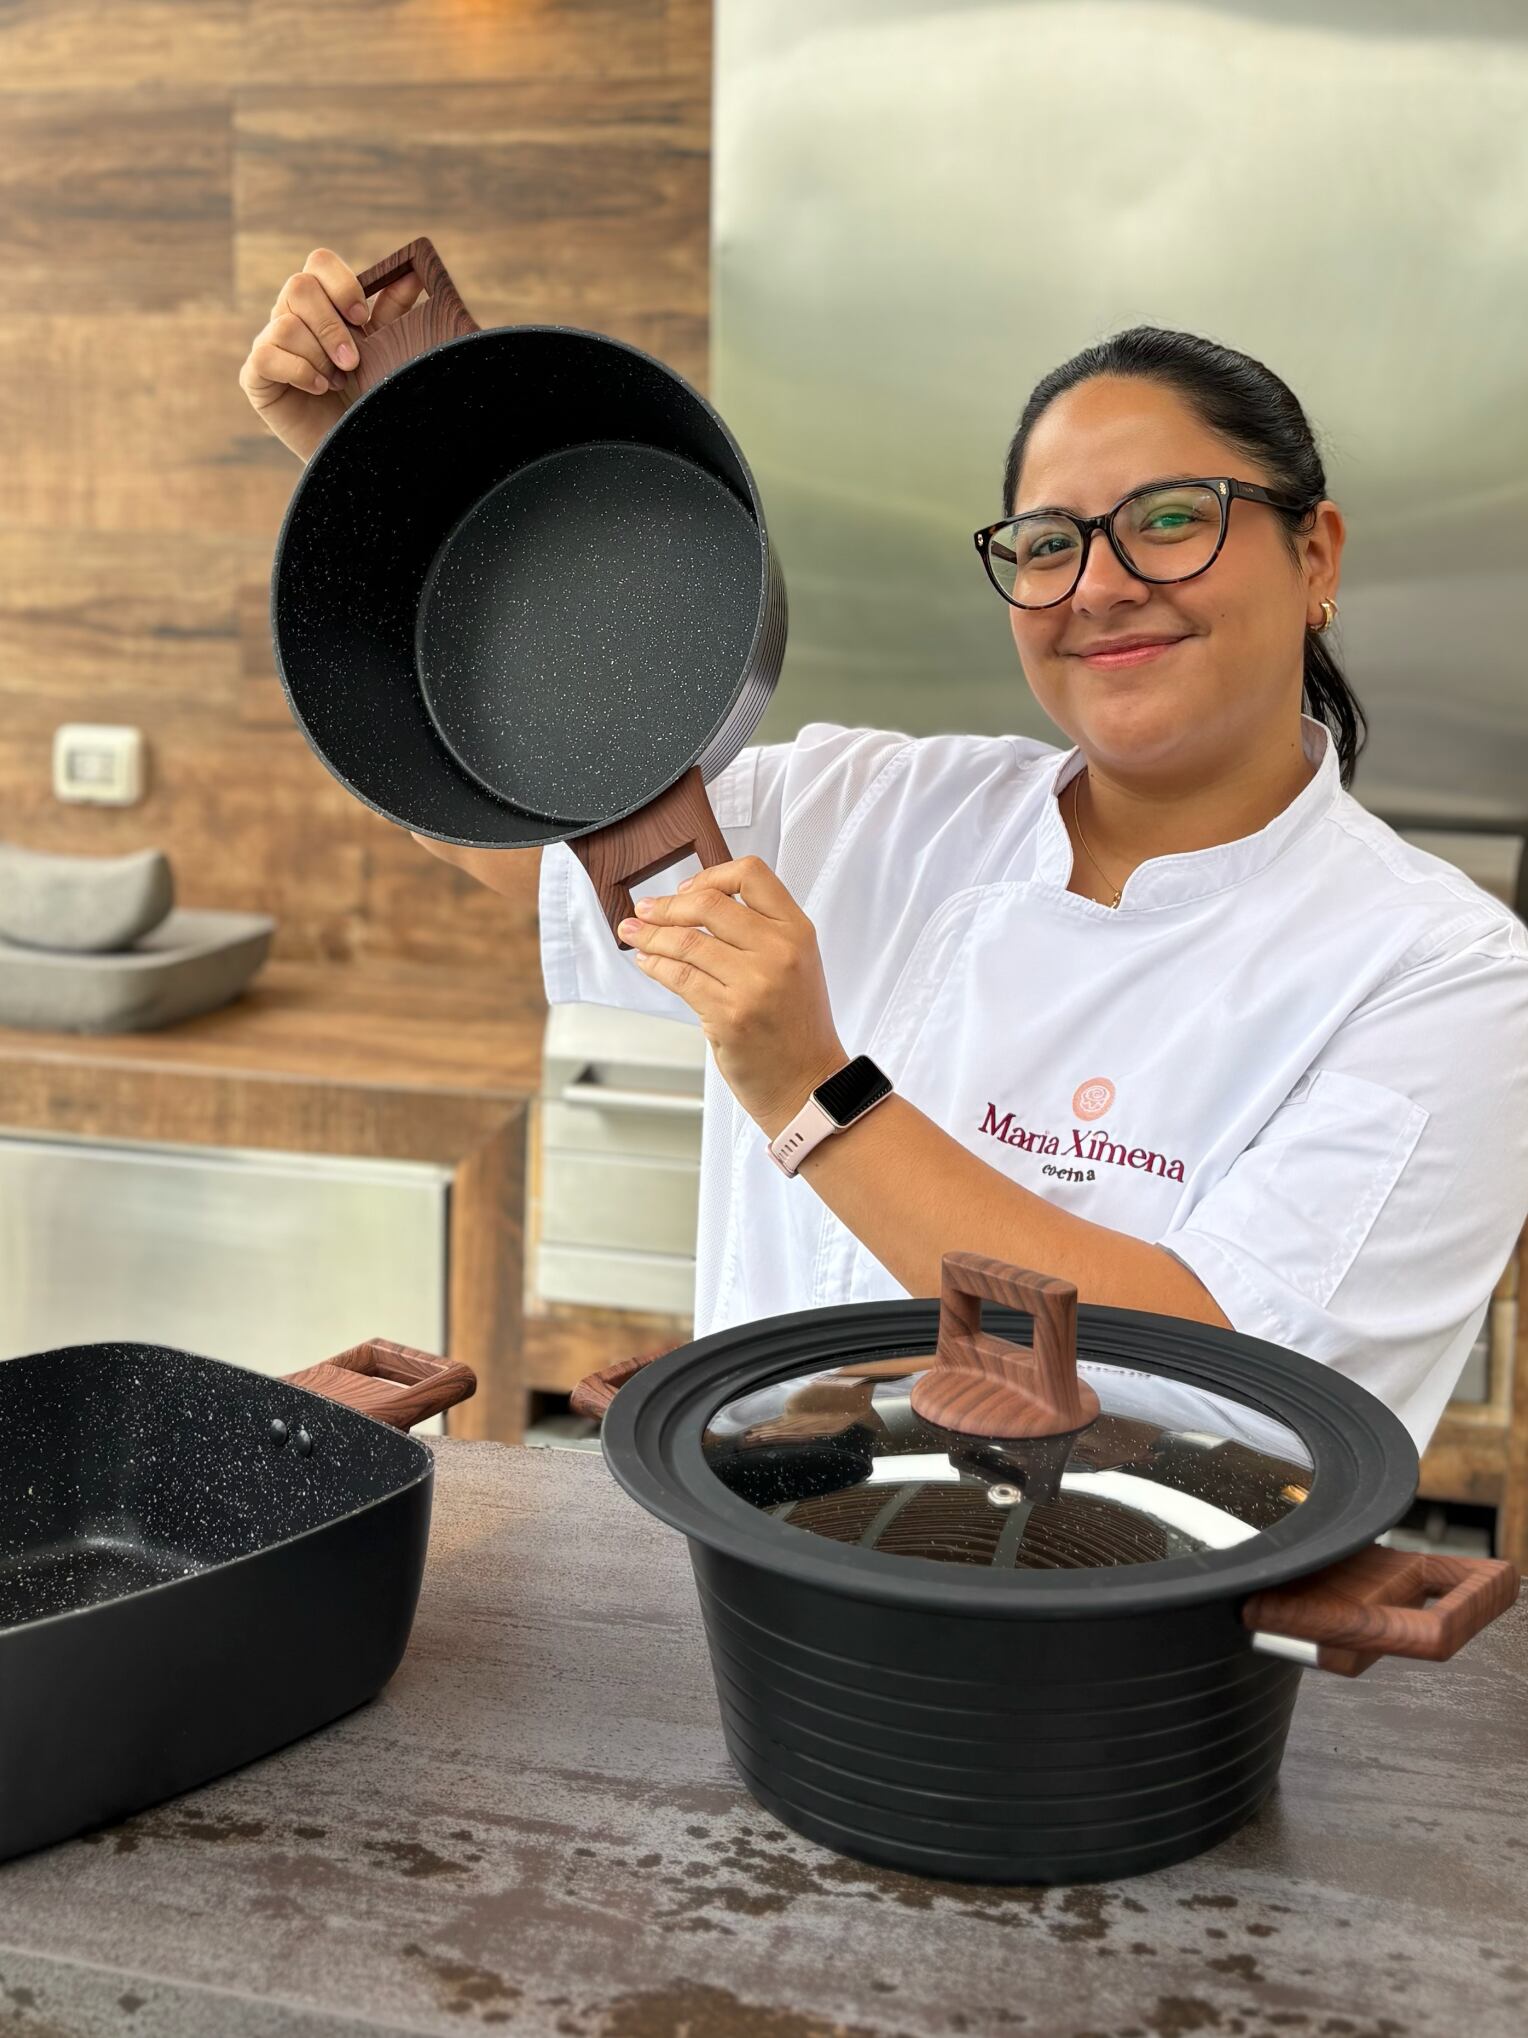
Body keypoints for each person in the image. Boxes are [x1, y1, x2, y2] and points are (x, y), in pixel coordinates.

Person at [242, 252, 1528, 1451]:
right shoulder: (879, 805)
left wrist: (815, 1092)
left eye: (1171, 518)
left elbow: (1222, 1371)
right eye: (1044, 544)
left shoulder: (1445, 972)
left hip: (1129, 1666)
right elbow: (521, 818)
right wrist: (380, 501)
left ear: (1315, 556)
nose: (1099, 584)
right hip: (752, 1581)